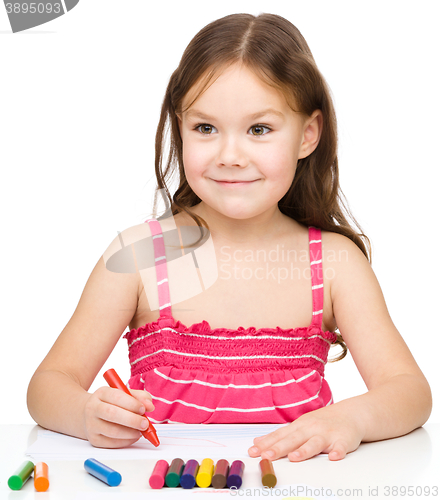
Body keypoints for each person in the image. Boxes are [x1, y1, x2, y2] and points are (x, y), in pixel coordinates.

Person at [27, 12, 432, 462]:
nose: (230, 155)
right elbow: (47, 386)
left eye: (259, 130)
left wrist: (352, 419)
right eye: (205, 128)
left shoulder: (333, 264)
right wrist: (86, 413)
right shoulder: (141, 256)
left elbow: (410, 393)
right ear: (179, 129)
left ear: (307, 135)